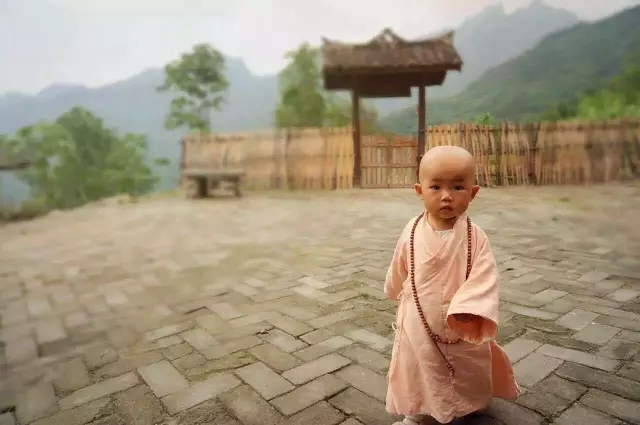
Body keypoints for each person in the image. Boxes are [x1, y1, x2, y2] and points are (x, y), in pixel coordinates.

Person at [384, 146, 520, 425]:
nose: (446, 196)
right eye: (436, 186)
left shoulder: (475, 237)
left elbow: (485, 276)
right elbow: (400, 265)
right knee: (420, 367)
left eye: (458, 187)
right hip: (420, 320)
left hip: (461, 320)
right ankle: (418, 413)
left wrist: (471, 308)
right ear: (419, 191)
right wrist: (394, 288)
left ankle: (472, 401)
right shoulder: (411, 231)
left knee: (469, 365)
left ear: (473, 192)